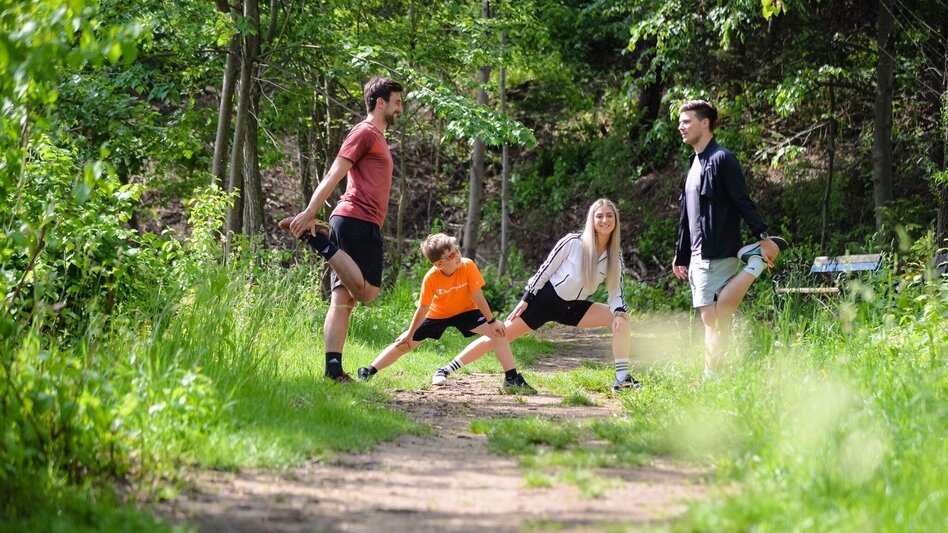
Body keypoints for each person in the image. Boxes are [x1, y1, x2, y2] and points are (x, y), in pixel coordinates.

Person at [432, 198, 641, 392]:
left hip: (574, 307)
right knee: (499, 335)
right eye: (599, 216)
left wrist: (618, 312)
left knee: (622, 321)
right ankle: (446, 369)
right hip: (545, 301)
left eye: (609, 215)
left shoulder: (615, 255)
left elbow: (616, 291)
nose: (604, 220)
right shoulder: (573, 242)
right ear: (592, 220)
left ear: (615, 220)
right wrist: (527, 298)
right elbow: (545, 269)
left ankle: (622, 379)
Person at [279, 76, 403, 382]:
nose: (400, 108)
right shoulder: (364, 132)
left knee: (343, 301)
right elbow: (335, 173)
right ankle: (320, 243)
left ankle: (333, 371)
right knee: (368, 292)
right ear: (380, 103)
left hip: (358, 221)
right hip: (356, 219)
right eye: (397, 102)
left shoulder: (377, 137)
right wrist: (310, 212)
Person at [671, 99, 788, 378]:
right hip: (698, 252)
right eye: (680, 122)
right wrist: (681, 253)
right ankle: (713, 376)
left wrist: (762, 234)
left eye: (686, 121)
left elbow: (741, 200)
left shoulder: (722, 158)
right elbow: (688, 216)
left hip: (716, 249)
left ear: (705, 123)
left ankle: (711, 378)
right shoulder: (695, 163)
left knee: (713, 317)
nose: (680, 127)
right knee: (715, 316)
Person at [356, 233, 535, 393]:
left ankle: (511, 378)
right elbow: (423, 308)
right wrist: (410, 334)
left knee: (499, 332)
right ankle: (368, 371)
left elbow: (477, 295)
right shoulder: (431, 278)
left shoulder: (468, 265)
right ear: (439, 264)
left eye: (457, 250)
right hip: (438, 315)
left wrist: (492, 320)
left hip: (466, 311)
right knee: (406, 343)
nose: (457, 255)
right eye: (451, 255)